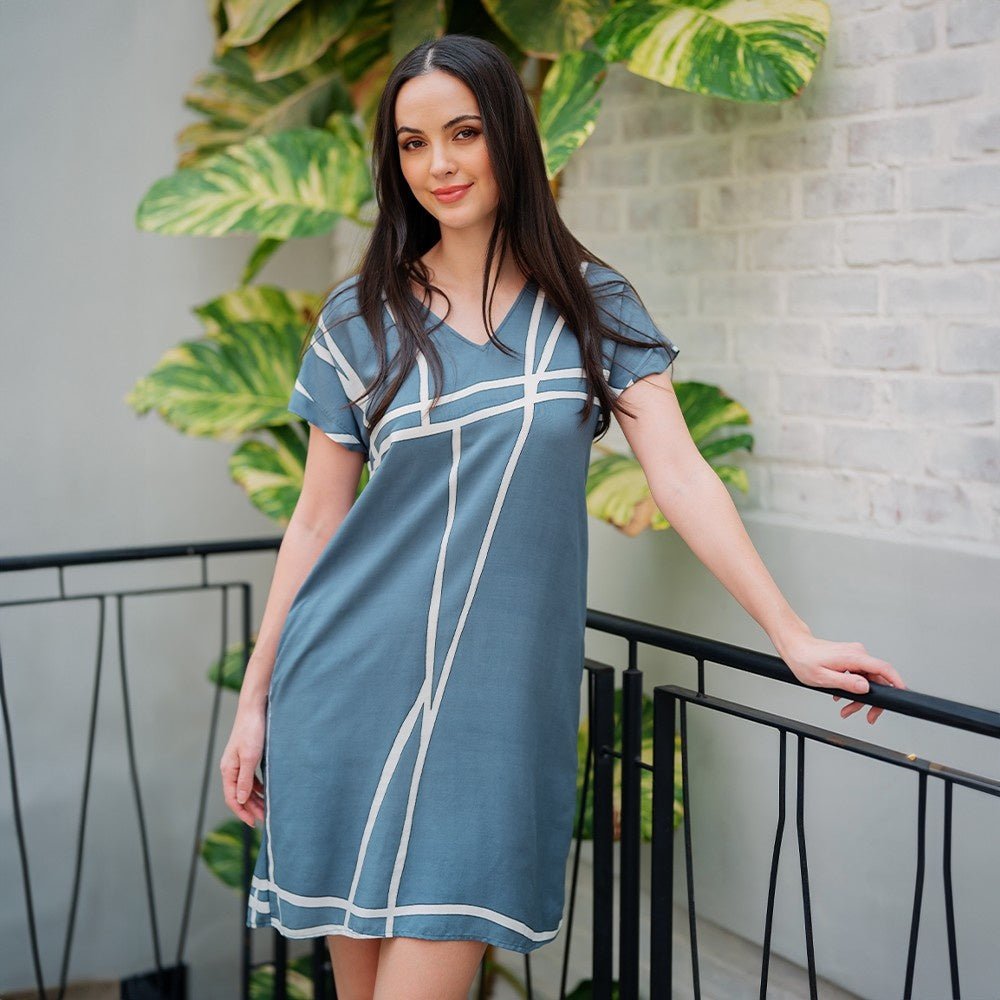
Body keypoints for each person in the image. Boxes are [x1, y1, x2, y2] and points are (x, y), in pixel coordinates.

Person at [219, 33, 907, 1000]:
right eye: (413, 144)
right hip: (343, 691)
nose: (440, 165)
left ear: (509, 136)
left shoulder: (589, 304)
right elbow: (315, 524)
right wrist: (254, 703)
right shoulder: (359, 317)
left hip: (489, 715)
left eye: (463, 133)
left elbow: (678, 473)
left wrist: (789, 635)